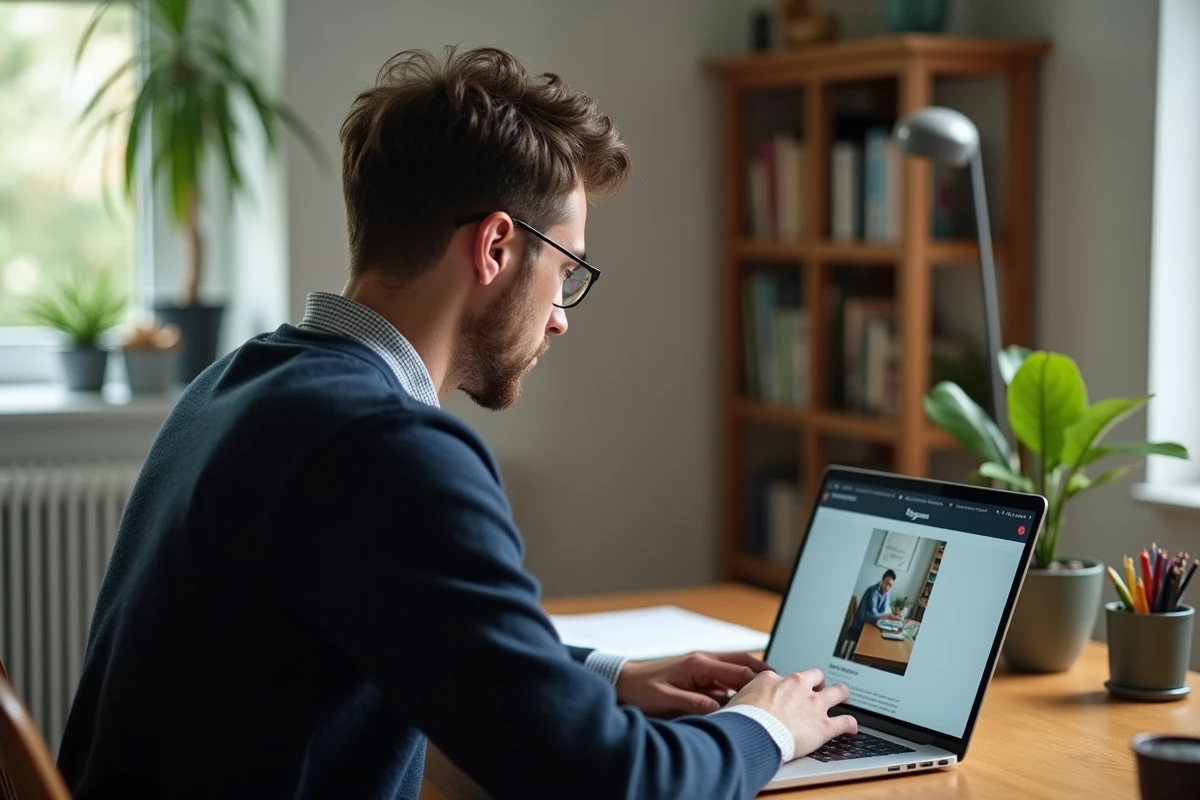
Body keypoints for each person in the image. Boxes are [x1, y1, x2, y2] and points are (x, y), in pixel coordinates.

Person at [56, 46, 856, 800]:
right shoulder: (384, 447)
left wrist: (607, 677)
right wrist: (766, 726)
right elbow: (610, 782)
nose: (560, 319)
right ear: (497, 247)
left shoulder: (238, 384)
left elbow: (406, 628)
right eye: (566, 272)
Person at [849, 568, 899, 643]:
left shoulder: (886, 593)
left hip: (870, 623)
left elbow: (886, 610)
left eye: (890, 585)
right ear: (882, 581)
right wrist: (886, 616)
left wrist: (892, 615)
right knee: (876, 642)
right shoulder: (873, 591)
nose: (887, 587)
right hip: (860, 626)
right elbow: (873, 613)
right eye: (886, 583)